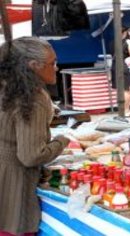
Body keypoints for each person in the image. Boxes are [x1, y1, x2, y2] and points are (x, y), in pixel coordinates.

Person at [0, 37, 70, 235]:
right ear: (33, 66)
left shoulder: (6, 87)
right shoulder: (33, 97)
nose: (56, 67)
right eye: (52, 63)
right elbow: (31, 156)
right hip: (13, 191)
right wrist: (62, 141)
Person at [112, 25, 130, 116]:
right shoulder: (128, 42)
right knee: (126, 90)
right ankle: (126, 110)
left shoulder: (113, 42)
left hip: (114, 66)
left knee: (119, 90)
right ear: (125, 32)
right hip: (124, 66)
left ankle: (121, 110)